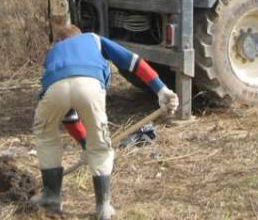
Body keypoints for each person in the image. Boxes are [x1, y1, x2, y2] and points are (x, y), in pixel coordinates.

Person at [31, 24, 179, 219]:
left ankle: (51, 196)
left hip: (54, 89)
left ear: (60, 41)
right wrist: (161, 89)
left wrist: (84, 144)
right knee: (100, 146)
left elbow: (69, 116)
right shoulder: (93, 38)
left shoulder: (54, 51)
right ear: (79, 36)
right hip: (90, 85)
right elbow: (132, 61)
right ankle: (103, 207)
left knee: (46, 137)